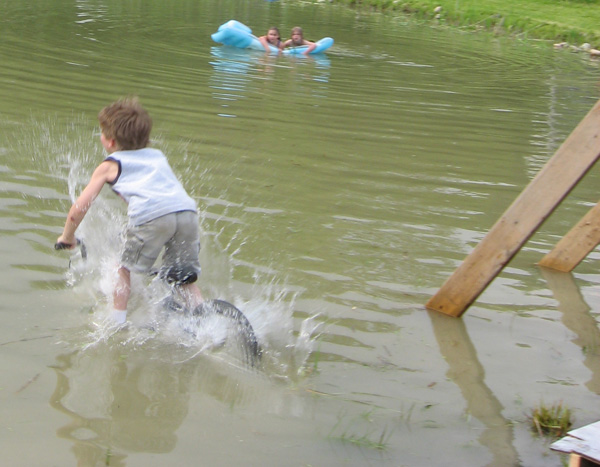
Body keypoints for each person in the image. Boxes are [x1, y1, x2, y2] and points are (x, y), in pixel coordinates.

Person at [56, 97, 203, 325]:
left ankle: (117, 324)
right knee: (184, 278)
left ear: (111, 142)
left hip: (153, 217)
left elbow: (79, 208)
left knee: (122, 267)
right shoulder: (157, 156)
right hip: (188, 214)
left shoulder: (110, 165)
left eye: (102, 134)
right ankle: (209, 324)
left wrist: (67, 237)